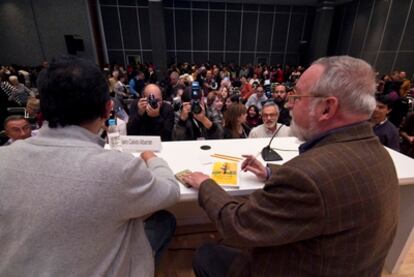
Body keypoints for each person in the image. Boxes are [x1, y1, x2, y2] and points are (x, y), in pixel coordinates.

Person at [183, 56, 399, 276]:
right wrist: (269, 172)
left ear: (327, 108)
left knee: (206, 254)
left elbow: (238, 225)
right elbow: (329, 192)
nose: (288, 104)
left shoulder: (306, 177)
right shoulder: (381, 154)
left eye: (296, 96)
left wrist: (205, 183)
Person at [0, 56, 180, 276]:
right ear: (107, 110)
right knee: (161, 220)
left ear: (42, 109)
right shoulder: (118, 169)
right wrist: (153, 159)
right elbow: (170, 191)